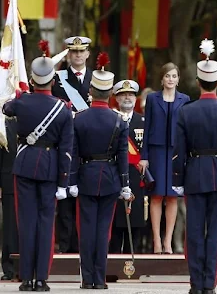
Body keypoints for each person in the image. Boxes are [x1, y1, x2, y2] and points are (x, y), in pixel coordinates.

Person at [172, 39, 217, 294]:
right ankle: (210, 284)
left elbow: (179, 149)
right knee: (214, 233)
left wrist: (177, 179)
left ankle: (195, 283)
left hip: (194, 173)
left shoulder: (186, 111)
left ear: (198, 83)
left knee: (193, 232)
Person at [2, 51, 74, 292]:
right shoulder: (63, 109)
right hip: (50, 167)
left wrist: (21, 93)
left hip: (24, 165)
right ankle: (42, 278)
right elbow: (66, 149)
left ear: (33, 81)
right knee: (45, 224)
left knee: (26, 222)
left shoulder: (21, 102)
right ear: (53, 81)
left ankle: (26, 278)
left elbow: (5, 108)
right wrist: (64, 180)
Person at [68, 53, 132, 289]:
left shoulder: (79, 119)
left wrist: (71, 181)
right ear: (110, 94)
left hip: (85, 176)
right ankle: (99, 278)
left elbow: (73, 153)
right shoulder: (119, 121)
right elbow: (123, 155)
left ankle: (87, 279)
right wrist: (125, 183)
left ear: (91, 92)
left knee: (86, 231)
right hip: (109, 177)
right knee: (103, 231)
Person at [138, 62, 190, 254]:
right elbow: (147, 127)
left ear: (178, 79)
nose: (170, 79)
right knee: (157, 196)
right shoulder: (152, 99)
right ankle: (157, 240)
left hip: (176, 151)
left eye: (174, 76)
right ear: (161, 79)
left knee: (173, 196)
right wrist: (144, 157)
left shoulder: (185, 99)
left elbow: (186, 129)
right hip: (156, 151)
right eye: (167, 76)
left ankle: (168, 240)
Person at [53, 36, 92, 255]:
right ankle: (66, 247)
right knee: (66, 197)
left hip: (90, 144)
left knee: (86, 198)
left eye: (81, 51)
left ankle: (83, 246)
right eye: (73, 52)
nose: (77, 55)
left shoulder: (98, 78)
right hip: (66, 144)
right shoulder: (58, 79)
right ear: (68, 54)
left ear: (87, 54)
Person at [109, 80, 147, 254]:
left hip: (137, 178)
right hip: (115, 176)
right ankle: (114, 263)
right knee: (116, 224)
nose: (127, 97)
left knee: (136, 222)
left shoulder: (143, 122)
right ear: (116, 98)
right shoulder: (111, 120)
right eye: (123, 94)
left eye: (130, 94)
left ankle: (135, 264)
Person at [0, 119, 19, 281]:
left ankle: (27, 265)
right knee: (9, 226)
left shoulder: (34, 120)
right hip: (8, 182)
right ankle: (9, 267)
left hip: (30, 180)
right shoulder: (2, 126)